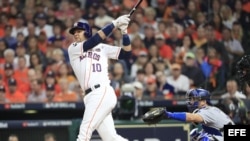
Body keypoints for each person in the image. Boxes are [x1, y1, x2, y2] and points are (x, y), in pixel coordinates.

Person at [67, 14, 131, 141]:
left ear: (87, 32)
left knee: (84, 132)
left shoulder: (101, 48)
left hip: (101, 92)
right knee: (111, 138)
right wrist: (114, 24)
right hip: (90, 97)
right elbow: (94, 41)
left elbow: (126, 53)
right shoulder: (73, 48)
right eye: (74, 32)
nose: (75, 34)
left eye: (79, 31)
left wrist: (124, 33)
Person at [159, 88, 234, 141]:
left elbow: (191, 117)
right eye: (191, 99)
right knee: (195, 135)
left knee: (204, 138)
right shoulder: (210, 109)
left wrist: (169, 114)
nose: (191, 102)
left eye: (194, 99)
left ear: (204, 101)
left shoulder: (207, 111)